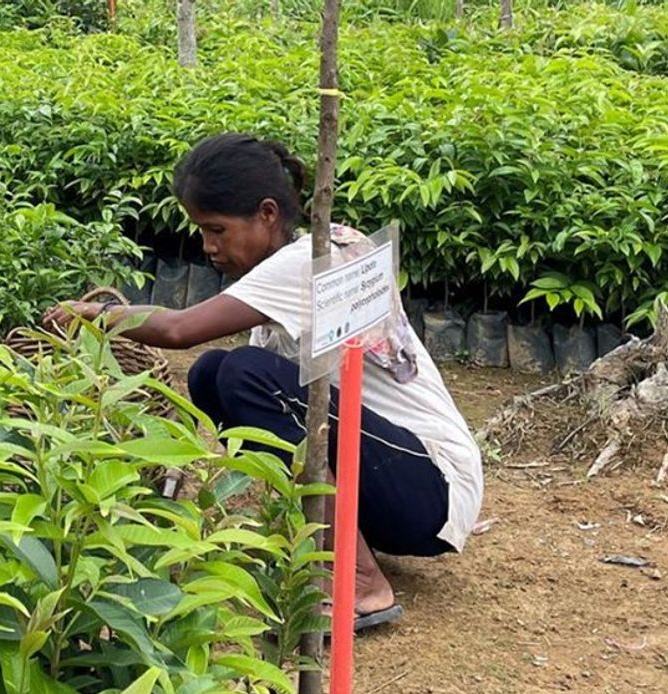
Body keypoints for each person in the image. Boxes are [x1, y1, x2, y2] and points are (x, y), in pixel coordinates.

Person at [44, 133, 483, 631]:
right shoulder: (316, 247)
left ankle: (362, 581)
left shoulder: (303, 262)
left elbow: (178, 329)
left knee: (242, 373)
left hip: (432, 486)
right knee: (216, 375)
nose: (208, 247)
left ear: (268, 214)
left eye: (216, 229)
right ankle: (317, 543)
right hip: (403, 484)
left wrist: (91, 313)